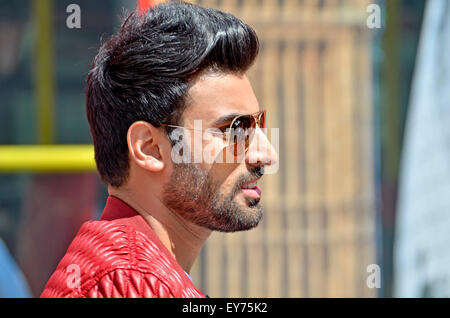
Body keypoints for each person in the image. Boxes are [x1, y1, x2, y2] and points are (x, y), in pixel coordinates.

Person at [41, 0, 278, 298]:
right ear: (150, 148)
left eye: (259, 125)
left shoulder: (126, 271)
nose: (266, 154)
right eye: (235, 129)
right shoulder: (131, 281)